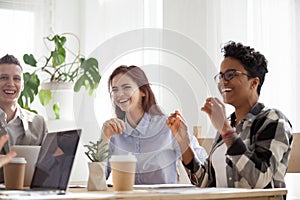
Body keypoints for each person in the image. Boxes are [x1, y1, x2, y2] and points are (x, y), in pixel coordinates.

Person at [166, 41, 293, 190]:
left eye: (231, 74)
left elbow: (260, 179)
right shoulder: (228, 125)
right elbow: (205, 182)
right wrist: (183, 142)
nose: (223, 81)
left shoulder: (273, 120)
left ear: (254, 83)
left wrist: (225, 130)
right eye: (221, 76)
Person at [101, 65, 207, 184]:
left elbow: (203, 172)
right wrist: (104, 139)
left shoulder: (168, 127)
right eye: (115, 89)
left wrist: (184, 143)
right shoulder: (113, 133)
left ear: (143, 92)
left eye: (126, 87)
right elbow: (98, 180)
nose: (119, 94)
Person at [0, 54, 48, 182]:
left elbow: (47, 167)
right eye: (3, 78)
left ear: (22, 85)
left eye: (16, 79)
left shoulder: (38, 123)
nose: (11, 84)